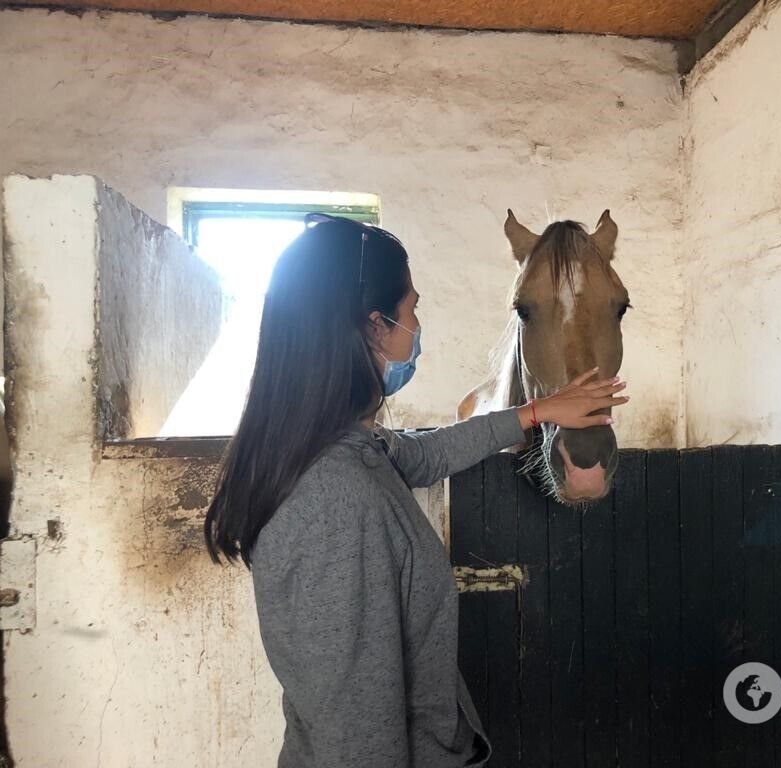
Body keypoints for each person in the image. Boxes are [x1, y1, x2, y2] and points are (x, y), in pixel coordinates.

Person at [203, 213, 629, 767]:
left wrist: (535, 412)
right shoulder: (333, 499)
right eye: (413, 309)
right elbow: (357, 732)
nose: (418, 325)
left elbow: (421, 456)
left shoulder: (347, 446)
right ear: (376, 326)